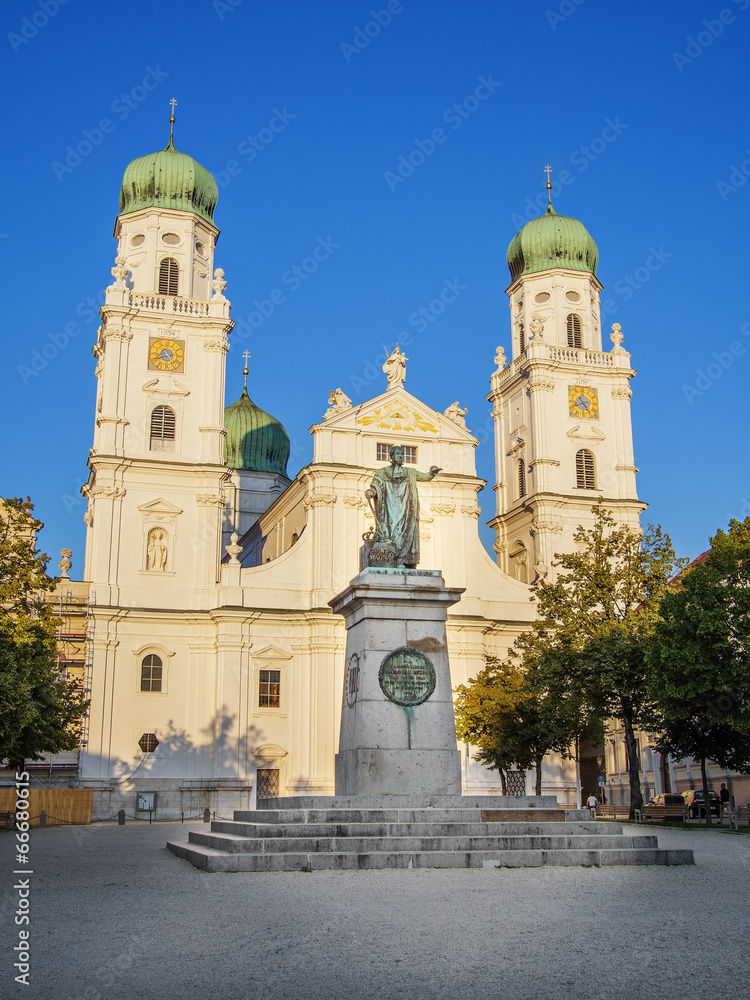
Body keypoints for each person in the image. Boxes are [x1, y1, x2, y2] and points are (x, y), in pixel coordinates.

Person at [365, 446, 440, 568]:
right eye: (398, 454)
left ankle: (401, 560)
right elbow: (376, 486)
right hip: (388, 510)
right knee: (390, 533)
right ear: (391, 456)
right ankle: (390, 560)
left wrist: (432, 473)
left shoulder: (410, 472)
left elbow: (425, 477)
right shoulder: (381, 472)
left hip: (406, 510)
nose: (400, 456)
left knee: (404, 534)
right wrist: (371, 492)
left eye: (402, 454)